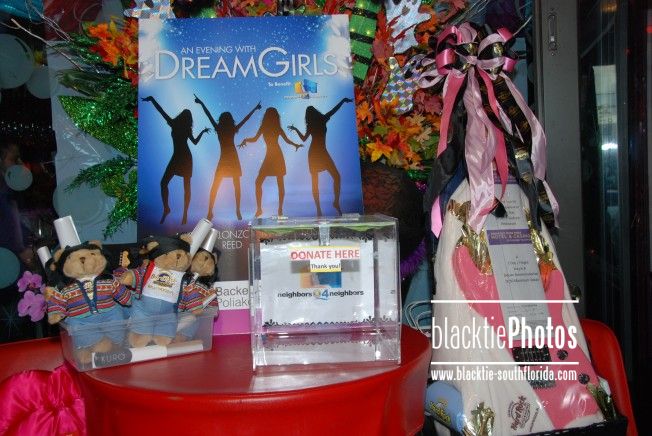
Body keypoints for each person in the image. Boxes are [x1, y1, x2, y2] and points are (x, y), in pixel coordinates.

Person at [141, 96, 209, 225]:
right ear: (189, 119)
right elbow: (195, 142)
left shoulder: (175, 124)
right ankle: (169, 209)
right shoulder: (184, 127)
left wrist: (152, 100)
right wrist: (202, 132)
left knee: (176, 185)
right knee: (174, 185)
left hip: (181, 157)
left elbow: (161, 111)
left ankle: (184, 214)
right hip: (182, 157)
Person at [195, 94, 261, 220]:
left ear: (221, 120)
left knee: (216, 185)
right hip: (232, 158)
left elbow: (208, 114)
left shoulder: (219, 128)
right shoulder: (232, 128)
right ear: (230, 120)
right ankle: (237, 210)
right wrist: (255, 108)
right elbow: (246, 119)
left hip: (225, 158)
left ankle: (210, 211)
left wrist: (201, 102)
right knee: (235, 185)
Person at [288, 97, 352, 216]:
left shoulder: (312, 125)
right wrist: (343, 101)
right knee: (333, 177)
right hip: (319, 152)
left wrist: (295, 129)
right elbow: (334, 110)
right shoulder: (322, 119)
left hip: (316, 153)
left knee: (318, 181)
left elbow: (303, 139)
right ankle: (322, 208)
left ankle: (326, 207)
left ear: (308, 116)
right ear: (316, 112)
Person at [239, 107, 302, 218]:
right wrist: (295, 145)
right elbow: (287, 140)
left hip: (275, 156)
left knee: (272, 183)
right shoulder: (273, 127)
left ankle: (278, 209)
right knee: (270, 183)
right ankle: (264, 209)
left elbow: (255, 139)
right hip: (273, 156)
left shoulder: (268, 127)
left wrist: (246, 140)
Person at [0, 140, 33, 267]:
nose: (19, 163)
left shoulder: (11, 187)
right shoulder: (4, 191)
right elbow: (9, 222)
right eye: (13, 159)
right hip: (9, 258)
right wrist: (21, 249)